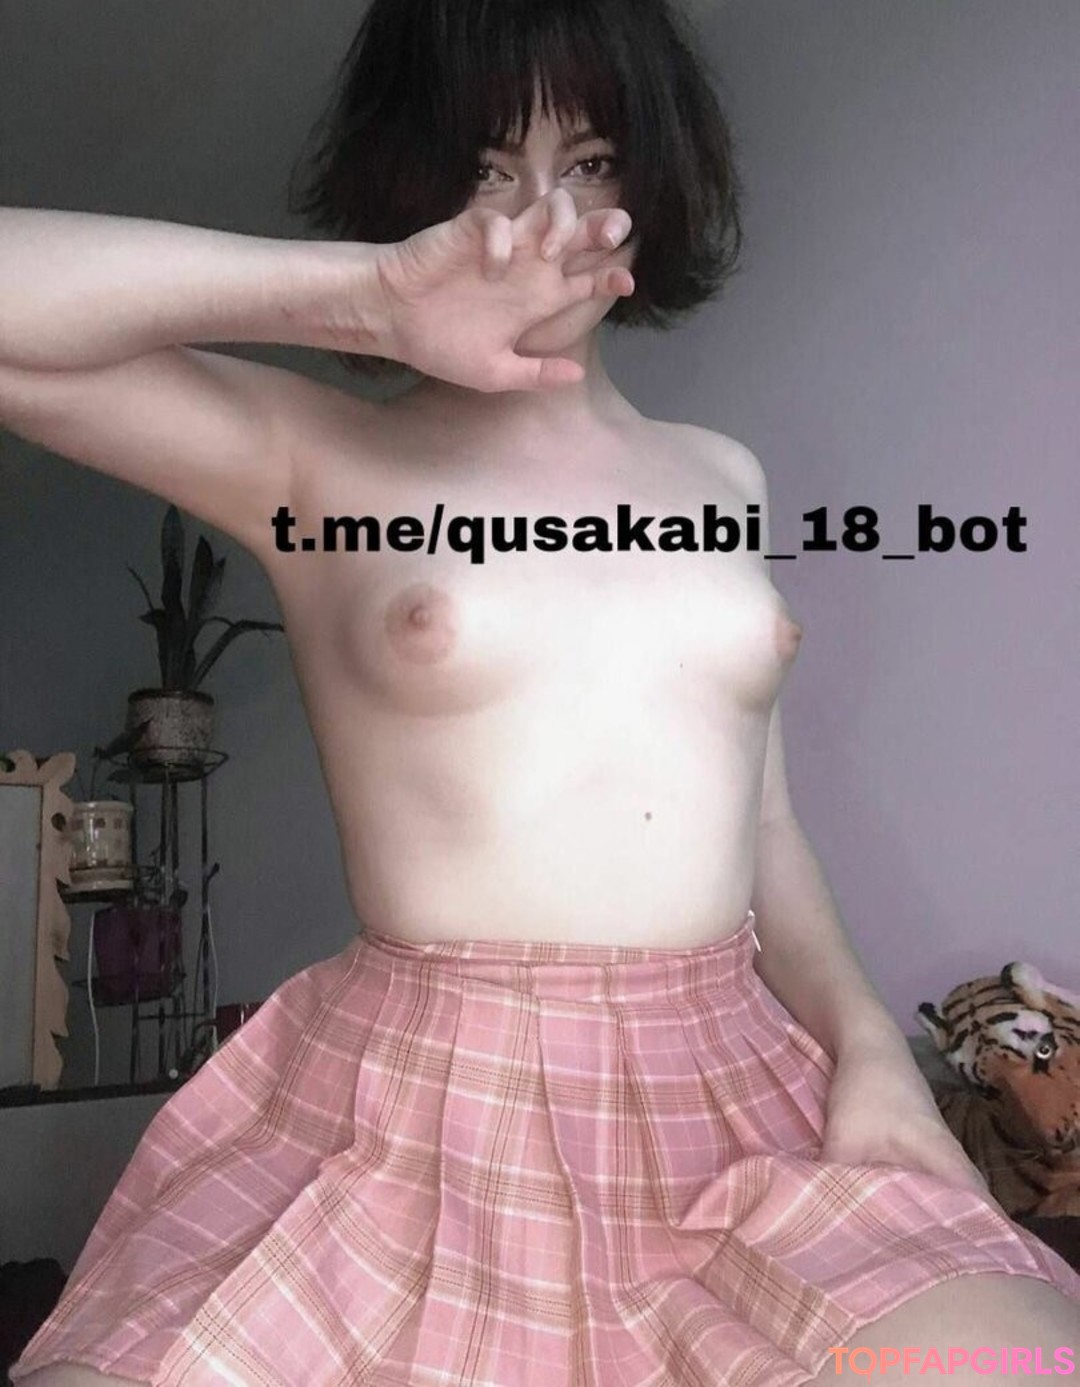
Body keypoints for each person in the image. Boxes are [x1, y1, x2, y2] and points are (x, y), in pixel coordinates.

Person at [4, 1, 1079, 1383]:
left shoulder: (723, 479)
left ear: (654, 181)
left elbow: (761, 829)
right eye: (488, 170)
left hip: (735, 1102)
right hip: (415, 1110)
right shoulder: (311, 461)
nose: (542, 222)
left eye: (592, 163)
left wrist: (870, 1046)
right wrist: (366, 296)